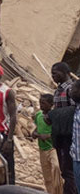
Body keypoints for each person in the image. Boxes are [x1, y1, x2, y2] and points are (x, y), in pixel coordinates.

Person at [51, 62, 78, 194]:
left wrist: (54, 115)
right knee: (65, 170)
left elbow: (75, 110)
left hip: (69, 136)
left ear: (65, 72)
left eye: (55, 73)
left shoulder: (72, 89)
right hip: (60, 135)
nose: (53, 76)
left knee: (69, 171)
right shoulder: (58, 90)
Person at [34, 93, 62, 194]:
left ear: (51, 105)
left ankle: (59, 191)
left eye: (44, 103)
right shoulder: (38, 115)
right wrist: (35, 133)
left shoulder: (54, 115)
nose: (41, 105)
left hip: (53, 147)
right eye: (40, 103)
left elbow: (59, 131)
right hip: (42, 148)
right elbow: (37, 127)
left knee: (56, 168)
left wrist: (48, 136)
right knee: (47, 176)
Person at [0, 65, 17, 185]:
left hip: (3, 133)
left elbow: (13, 116)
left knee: (7, 166)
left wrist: (9, 139)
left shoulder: (7, 92)